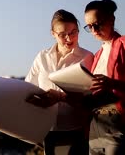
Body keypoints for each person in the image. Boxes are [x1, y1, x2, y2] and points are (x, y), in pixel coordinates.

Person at [83, 0, 125, 155]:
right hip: (96, 126)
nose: (93, 30)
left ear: (111, 19)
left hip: (120, 124)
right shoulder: (97, 55)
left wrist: (112, 84)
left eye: (97, 24)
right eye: (89, 26)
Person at [25, 9, 94, 155]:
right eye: (63, 35)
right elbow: (28, 87)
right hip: (46, 129)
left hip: (76, 129)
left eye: (73, 32)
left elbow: (92, 98)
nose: (69, 39)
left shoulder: (88, 58)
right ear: (53, 34)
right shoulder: (42, 56)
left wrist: (61, 97)